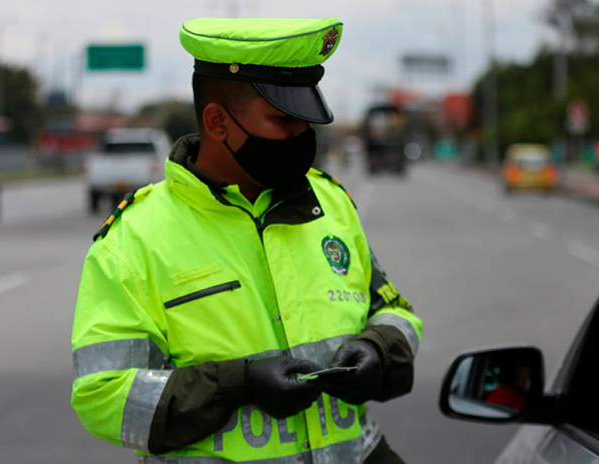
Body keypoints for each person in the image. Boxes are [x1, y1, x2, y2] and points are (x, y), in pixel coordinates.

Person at [71, 17, 423, 464]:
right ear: (218, 122)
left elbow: (395, 313)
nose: (301, 135)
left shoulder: (330, 204)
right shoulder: (134, 239)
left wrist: (376, 349)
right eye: (283, 120)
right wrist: (239, 383)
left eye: (306, 120)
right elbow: (104, 399)